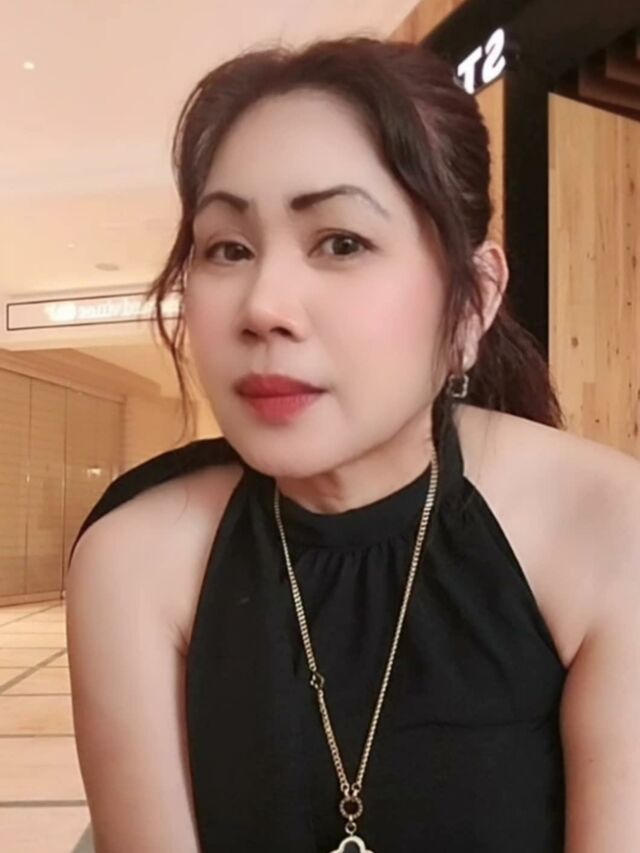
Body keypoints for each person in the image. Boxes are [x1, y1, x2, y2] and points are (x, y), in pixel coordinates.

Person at [65, 37, 640, 853]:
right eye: (228, 248)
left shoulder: (610, 529)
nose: (263, 306)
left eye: (341, 242)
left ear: (473, 300)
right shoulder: (137, 558)